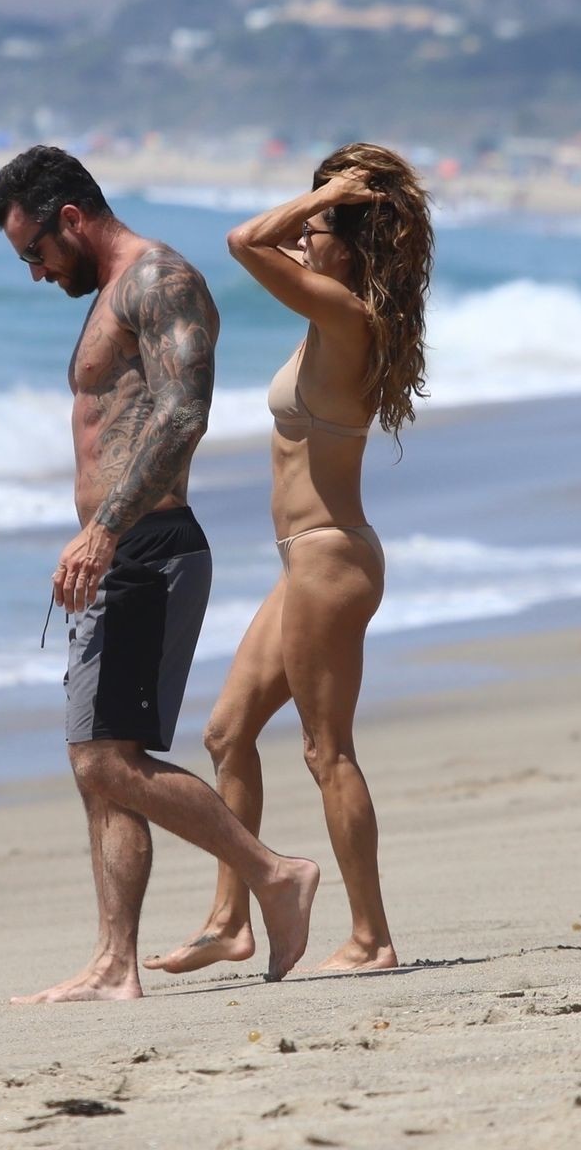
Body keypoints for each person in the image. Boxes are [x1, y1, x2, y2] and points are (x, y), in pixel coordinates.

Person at [0, 145, 319, 1003]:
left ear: (70, 218)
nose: (35, 272)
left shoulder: (160, 280)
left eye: (34, 252)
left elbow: (184, 412)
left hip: (146, 546)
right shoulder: (112, 292)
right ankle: (114, 963)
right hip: (119, 550)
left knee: (103, 761)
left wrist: (103, 530)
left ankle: (275, 875)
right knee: (99, 763)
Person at [144, 144, 432, 978]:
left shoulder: (346, 314)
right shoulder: (336, 314)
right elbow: (262, 244)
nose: (304, 240)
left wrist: (328, 195)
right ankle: (230, 920)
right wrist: (329, 202)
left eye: (319, 229)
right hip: (307, 562)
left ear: (352, 243)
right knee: (227, 732)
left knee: (326, 751)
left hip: (328, 561)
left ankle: (372, 938)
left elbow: (244, 241)